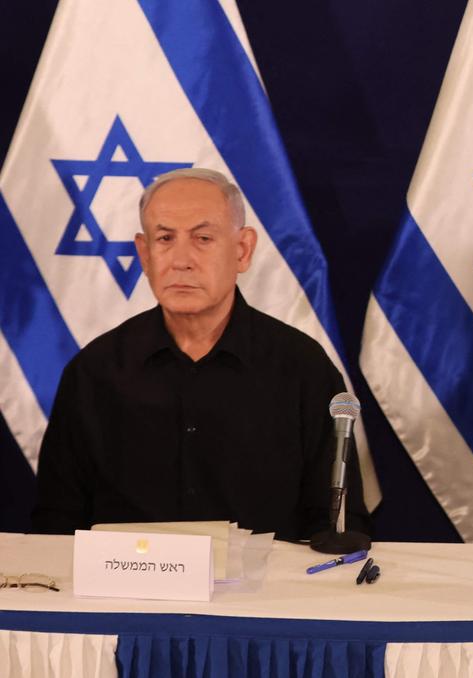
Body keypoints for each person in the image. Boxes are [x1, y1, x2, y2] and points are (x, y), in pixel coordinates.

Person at [32, 168, 369, 541]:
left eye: (203, 238)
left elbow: (337, 519)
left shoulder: (302, 367)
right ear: (144, 254)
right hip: (126, 593)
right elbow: (55, 522)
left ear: (242, 250)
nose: (181, 260)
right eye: (164, 238)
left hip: (261, 594)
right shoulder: (96, 371)